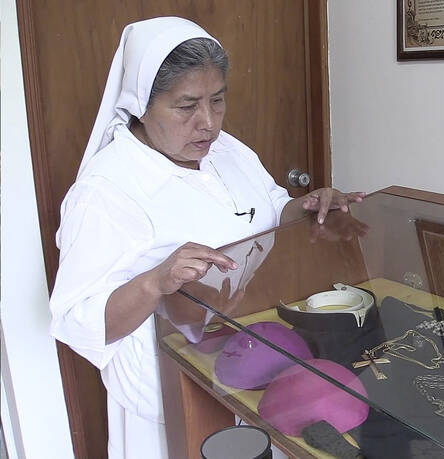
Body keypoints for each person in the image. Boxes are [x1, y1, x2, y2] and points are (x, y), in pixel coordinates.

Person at [48, 16, 364, 459]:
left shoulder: (227, 151)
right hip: (171, 393)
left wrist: (309, 208)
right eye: (186, 106)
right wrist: (155, 281)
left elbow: (271, 208)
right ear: (142, 104)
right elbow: (76, 321)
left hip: (247, 362)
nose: (208, 123)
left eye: (218, 101)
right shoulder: (104, 191)